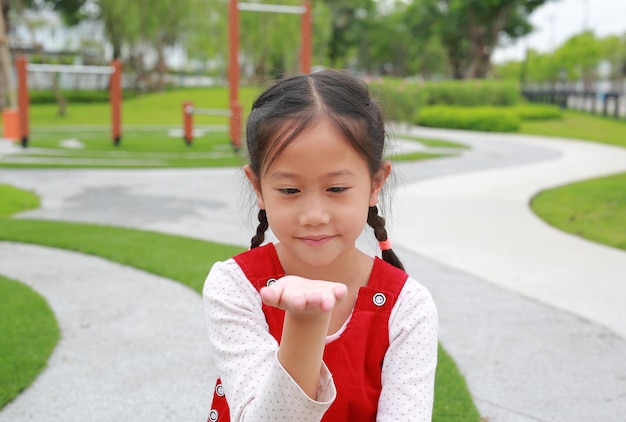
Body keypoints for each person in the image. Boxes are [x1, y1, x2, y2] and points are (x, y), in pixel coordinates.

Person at [203, 69, 438, 421]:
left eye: (337, 189)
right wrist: (306, 321)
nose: (314, 215)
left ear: (376, 183)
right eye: (289, 190)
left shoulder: (408, 308)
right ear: (258, 187)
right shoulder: (234, 287)